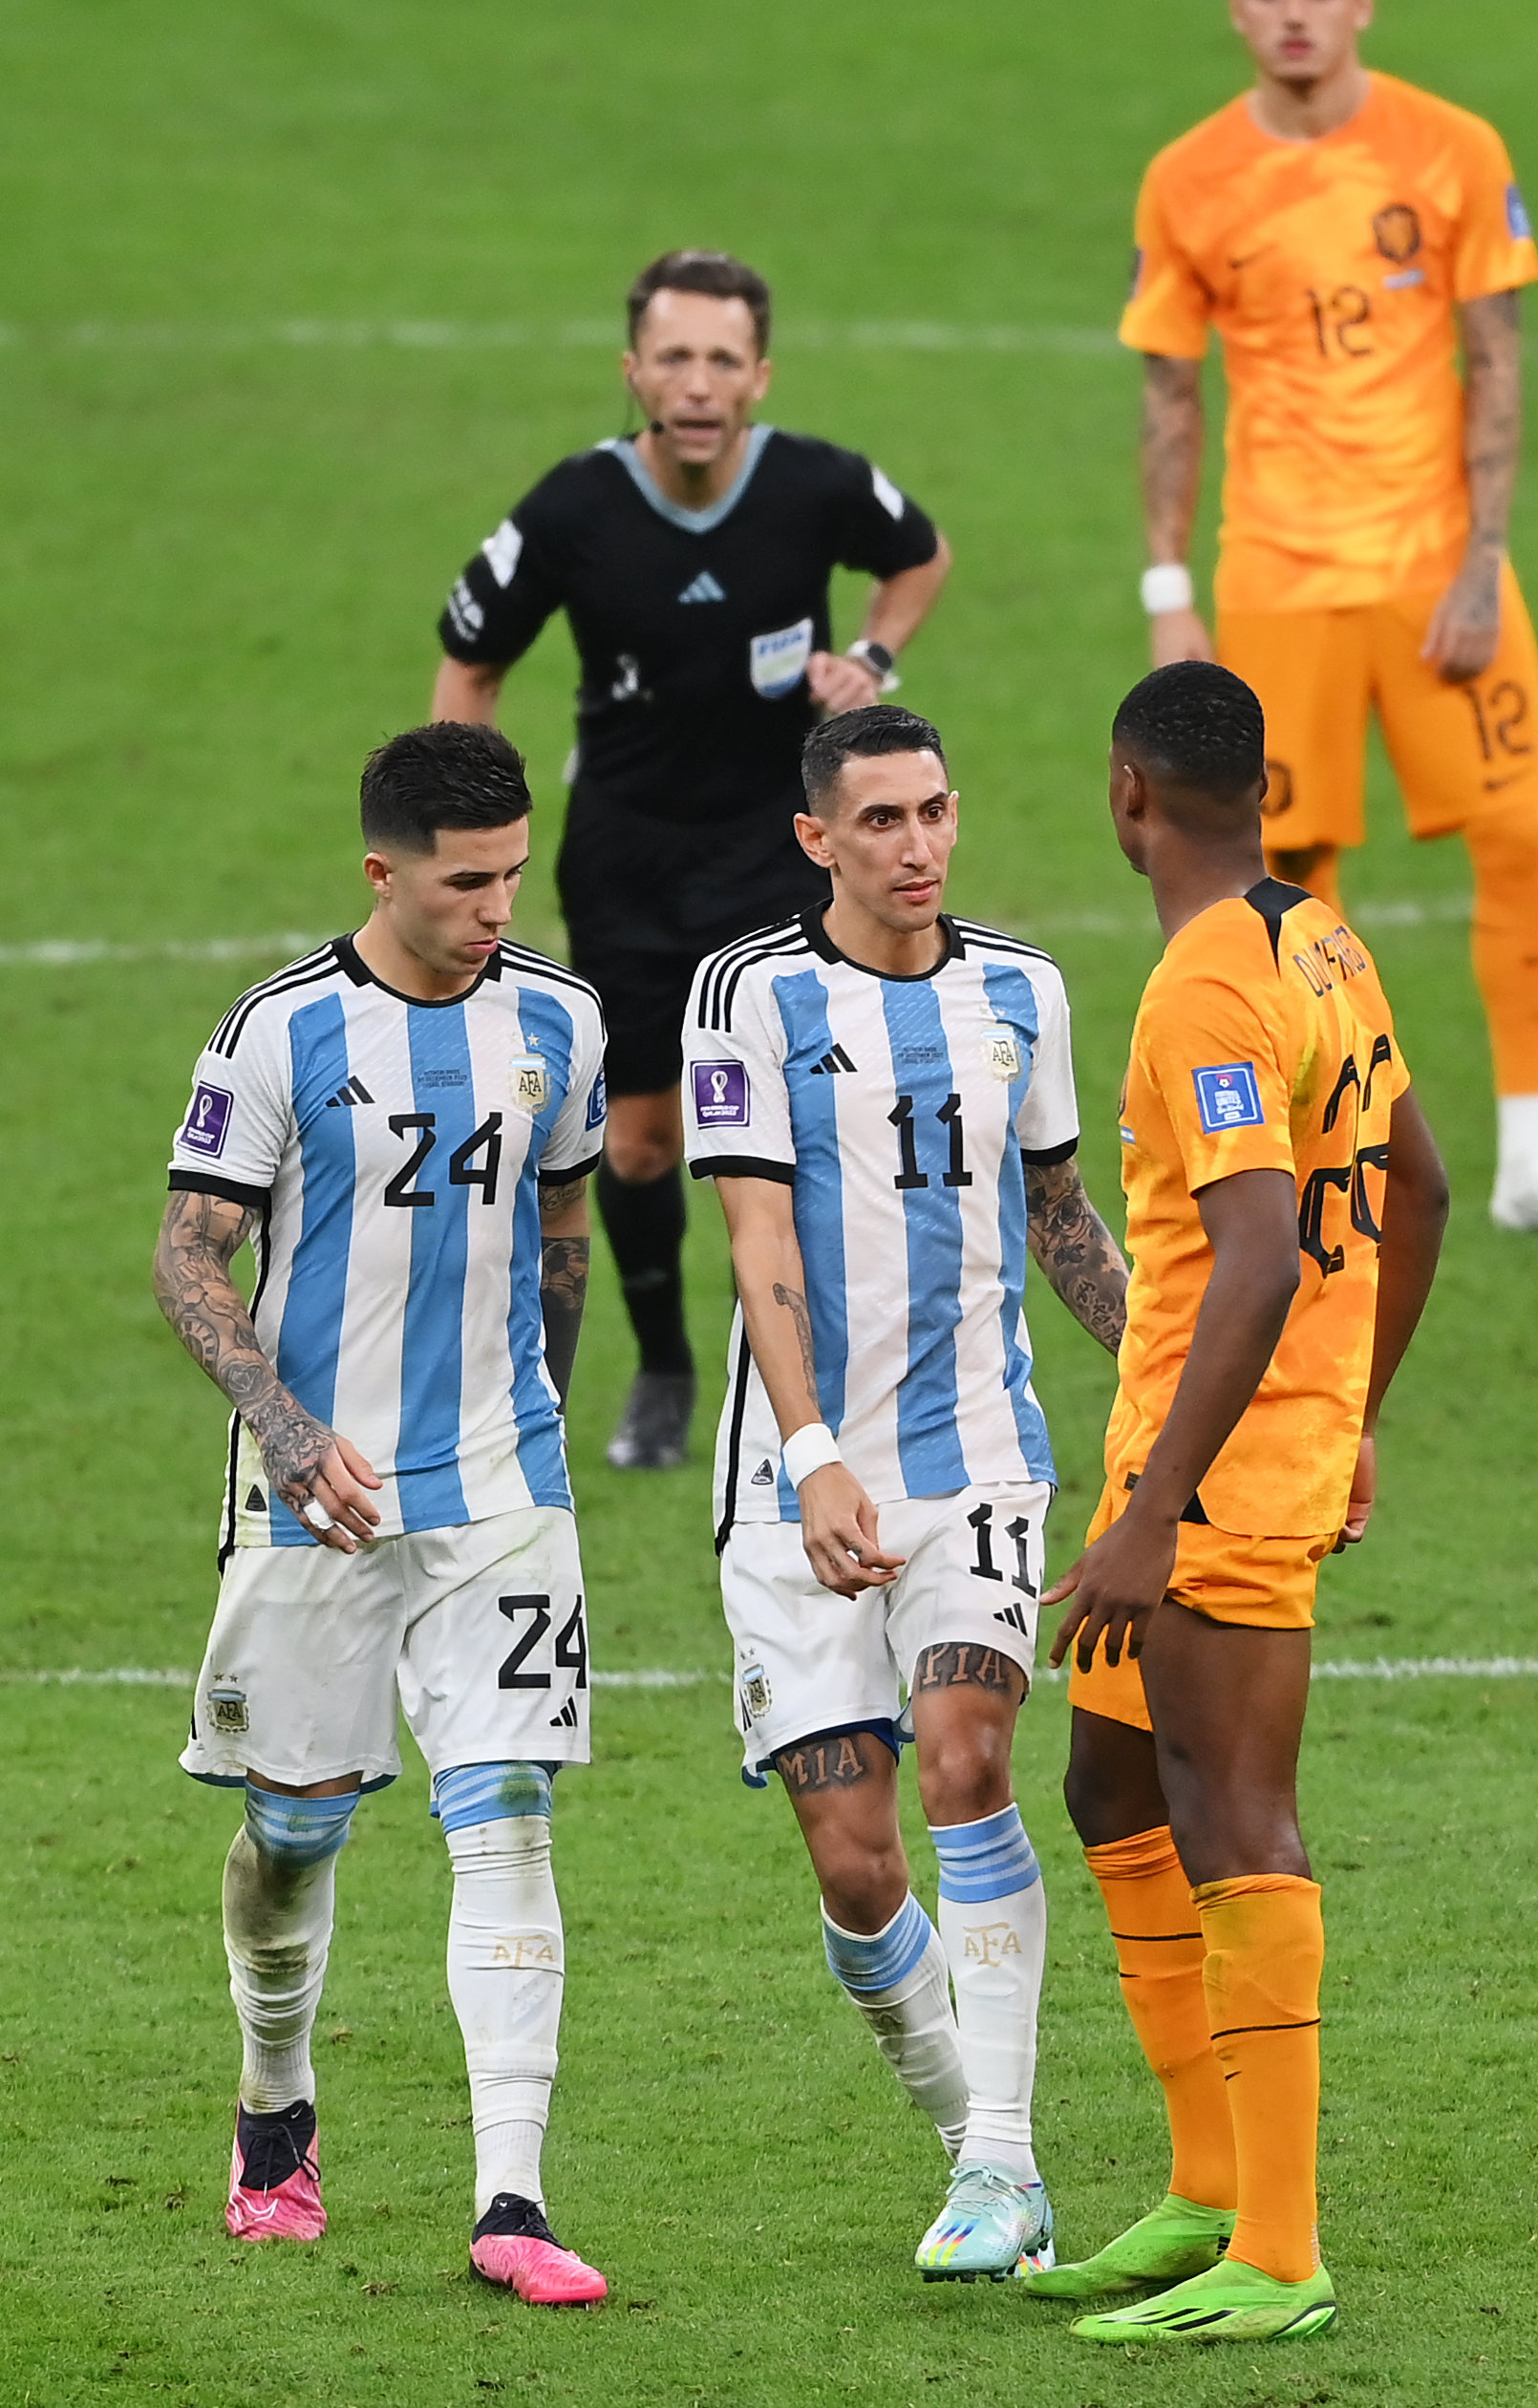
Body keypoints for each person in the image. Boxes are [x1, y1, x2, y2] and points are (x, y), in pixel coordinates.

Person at [149, 720, 615, 2306]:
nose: (498, 903)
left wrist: (534, 1419)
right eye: (465, 878)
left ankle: (513, 2193)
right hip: (319, 1501)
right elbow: (187, 1256)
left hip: (500, 1493)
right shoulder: (280, 1033)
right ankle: (276, 2099)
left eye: (511, 871)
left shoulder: (560, 1019)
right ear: (382, 869)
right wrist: (282, 1431)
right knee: (296, 1828)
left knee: (506, 1810)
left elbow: (564, 1223)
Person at [1025, 661, 1448, 2346]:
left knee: (1232, 1808)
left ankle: (1280, 2246)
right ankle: (1207, 2181)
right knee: (1109, 1775)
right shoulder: (1322, 937)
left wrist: (1160, 1511)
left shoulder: (1205, 989)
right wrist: (1362, 1413)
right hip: (1233, 1443)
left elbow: (1261, 1252)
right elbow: (1418, 1183)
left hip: (1217, 1468)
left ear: (1129, 790)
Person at [678, 703, 1128, 2282]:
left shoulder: (1026, 989)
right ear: (817, 837)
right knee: (859, 1866)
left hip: (980, 1461)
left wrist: (1174, 1393)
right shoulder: (746, 995)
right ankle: (976, 2147)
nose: (919, 844)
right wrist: (812, 1460)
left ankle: (1002, 2155)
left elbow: (1064, 1213)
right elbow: (758, 1242)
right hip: (797, 1480)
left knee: (965, 1754)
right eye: (880, 819)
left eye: (935, 810)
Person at [1124, 0, 1538, 1243]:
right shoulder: (1187, 177)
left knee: (1518, 835)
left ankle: (1534, 1148)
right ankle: (1333, 1159)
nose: (1294, 12)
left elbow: (1496, 361)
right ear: (1235, 7)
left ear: (1362, 1)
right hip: (1279, 580)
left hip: (1432, 573)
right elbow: (1171, 397)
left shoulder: (1451, 149)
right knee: (1286, 879)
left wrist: (1483, 557)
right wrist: (1165, 586)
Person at [436, 250, 954, 1470]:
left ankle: (808, 1384)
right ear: (633, 370)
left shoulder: (817, 486)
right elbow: (469, 656)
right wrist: (471, 830)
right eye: (673, 356)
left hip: (783, 848)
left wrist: (870, 664)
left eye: (723, 358)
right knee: (641, 1142)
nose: (698, 382)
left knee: (805, 1129)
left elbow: (918, 556)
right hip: (626, 861)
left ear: (759, 375)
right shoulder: (571, 509)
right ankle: (666, 1367)